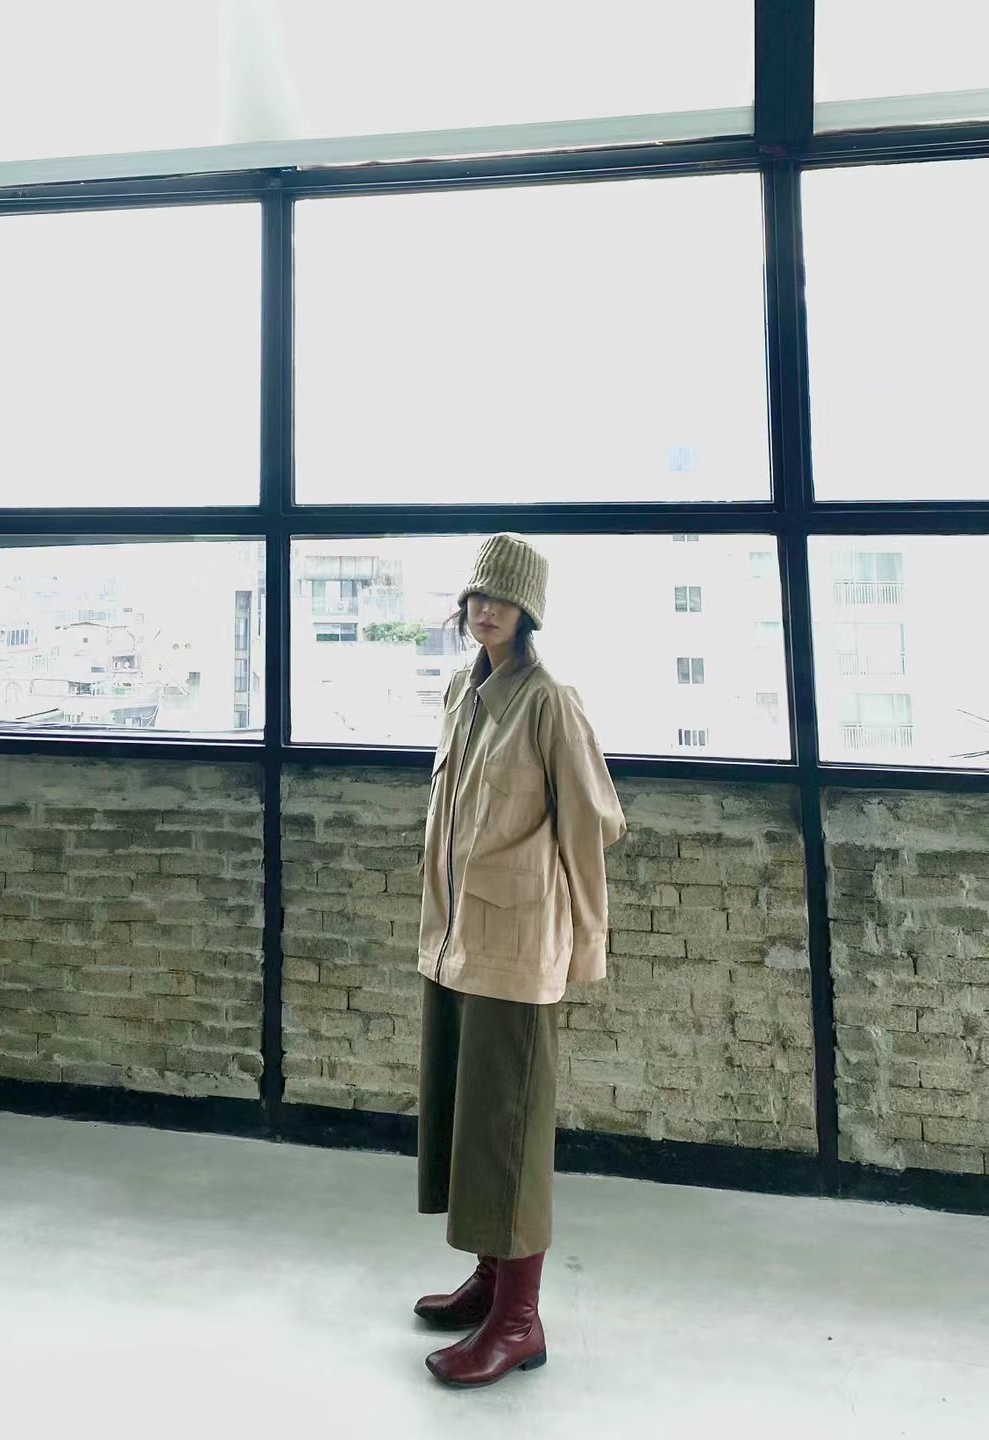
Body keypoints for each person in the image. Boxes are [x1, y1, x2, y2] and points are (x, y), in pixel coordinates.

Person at [413, 532, 627, 1389]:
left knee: (511, 1131)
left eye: (502, 598)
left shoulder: (549, 703)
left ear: (529, 612)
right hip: (456, 940)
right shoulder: (461, 696)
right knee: (470, 1123)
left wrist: (582, 938)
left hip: (518, 945)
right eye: (477, 596)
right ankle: (490, 1280)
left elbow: (594, 823)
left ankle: (519, 1322)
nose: (486, 610)